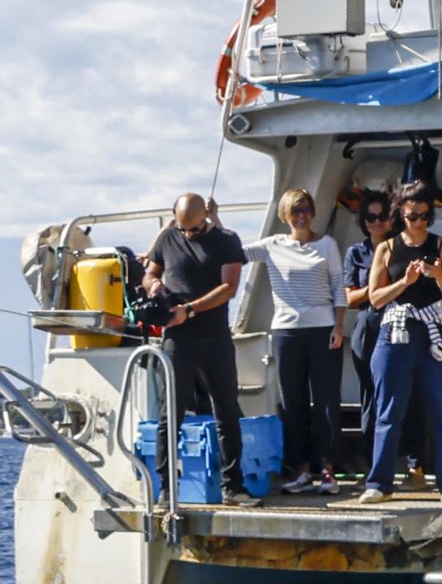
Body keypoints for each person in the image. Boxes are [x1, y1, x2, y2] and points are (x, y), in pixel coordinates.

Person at [359, 181, 442, 493]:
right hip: (395, 331)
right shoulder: (387, 248)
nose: (418, 221)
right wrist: (404, 282)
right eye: (412, 216)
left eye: (423, 216)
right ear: (400, 215)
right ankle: (379, 484)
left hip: (432, 331)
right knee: (389, 410)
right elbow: (375, 298)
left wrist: (437, 275)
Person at [139, 190, 251, 479]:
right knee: (170, 413)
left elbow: (229, 288)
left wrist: (188, 310)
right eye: (182, 228)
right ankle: (165, 485)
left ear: (207, 217)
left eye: (195, 228)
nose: (188, 234)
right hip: (178, 338)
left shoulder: (227, 241)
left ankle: (233, 483)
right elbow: (150, 272)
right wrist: (153, 286)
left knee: (226, 410)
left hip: (214, 335)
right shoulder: (167, 238)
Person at [251, 186, 354, 491]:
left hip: (323, 329)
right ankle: (300, 469)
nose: (302, 216)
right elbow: (234, 252)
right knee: (293, 403)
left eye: (306, 209)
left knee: (325, 403)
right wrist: (210, 221)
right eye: (295, 210)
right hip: (286, 331)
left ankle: (327, 468)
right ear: (285, 214)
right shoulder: (272, 246)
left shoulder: (327, 246)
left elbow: (339, 286)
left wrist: (338, 326)